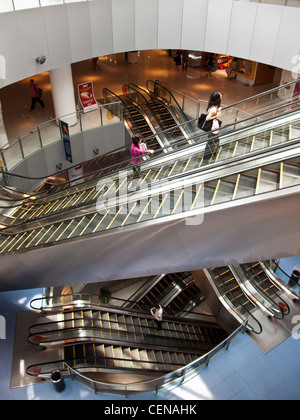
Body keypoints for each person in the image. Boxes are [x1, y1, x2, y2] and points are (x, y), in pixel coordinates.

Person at [203, 91, 222, 163]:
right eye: (220, 95)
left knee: (213, 141)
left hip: (214, 127)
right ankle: (208, 156)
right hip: (213, 127)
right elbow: (207, 118)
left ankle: (211, 155)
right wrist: (216, 115)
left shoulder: (214, 106)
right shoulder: (214, 108)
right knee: (212, 142)